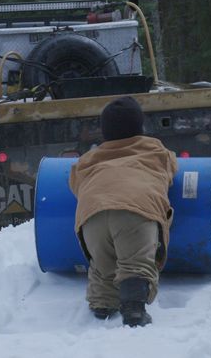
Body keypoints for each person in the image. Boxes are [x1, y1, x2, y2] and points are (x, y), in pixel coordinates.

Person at [69, 96, 178, 327]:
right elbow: (171, 168)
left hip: (92, 216)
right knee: (135, 264)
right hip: (136, 211)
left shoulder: (88, 160)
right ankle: (134, 310)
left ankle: (102, 303)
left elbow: (74, 183)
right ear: (141, 127)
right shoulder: (155, 150)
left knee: (102, 265)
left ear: (104, 132)